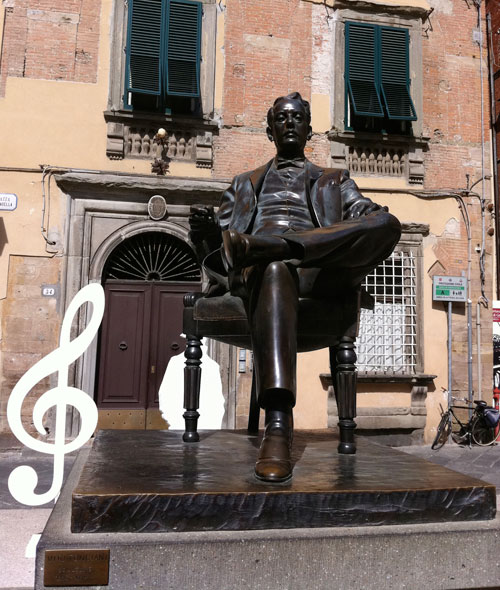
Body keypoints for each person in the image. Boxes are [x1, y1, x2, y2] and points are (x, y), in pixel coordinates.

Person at [189, 92, 401, 483]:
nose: (289, 123)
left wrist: (368, 219)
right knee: (273, 269)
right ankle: (278, 426)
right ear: (271, 130)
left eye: (297, 118)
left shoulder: (335, 181)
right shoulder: (242, 184)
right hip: (258, 274)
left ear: (307, 129)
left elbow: (368, 216)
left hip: (317, 272)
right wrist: (202, 234)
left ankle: (277, 246)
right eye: (282, 118)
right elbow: (216, 252)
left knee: (388, 223)